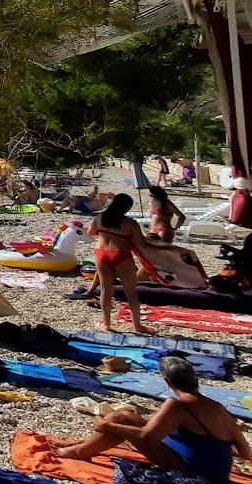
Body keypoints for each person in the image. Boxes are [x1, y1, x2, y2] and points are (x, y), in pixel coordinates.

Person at [53, 356, 250, 481]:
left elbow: (148, 436)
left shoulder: (177, 404)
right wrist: (214, 446)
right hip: (215, 473)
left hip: (196, 474)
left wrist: (107, 425)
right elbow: (245, 452)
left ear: (167, 382)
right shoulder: (218, 408)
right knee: (122, 416)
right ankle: (85, 447)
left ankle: (78, 451)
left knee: (117, 422)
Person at [92, 193, 157, 334]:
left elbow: (91, 232)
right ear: (126, 208)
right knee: (131, 291)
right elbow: (141, 244)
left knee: (105, 290)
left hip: (101, 253)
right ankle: (137, 326)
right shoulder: (130, 223)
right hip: (121, 254)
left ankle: (106, 324)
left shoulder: (99, 217)